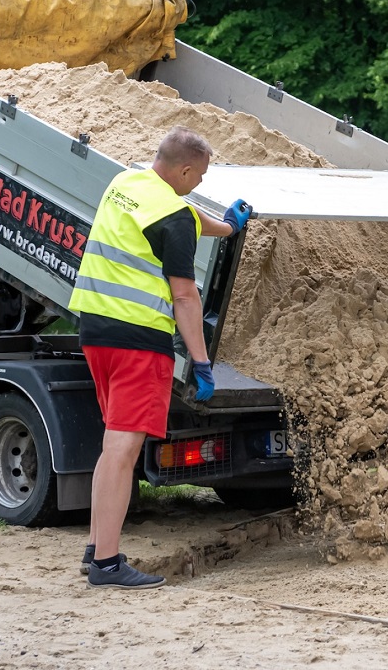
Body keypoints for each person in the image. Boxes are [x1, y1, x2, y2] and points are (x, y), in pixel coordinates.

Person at [67, 126, 250, 589]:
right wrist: (202, 363)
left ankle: (95, 548)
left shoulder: (126, 182)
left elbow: (183, 215)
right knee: (123, 451)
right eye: (202, 175)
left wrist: (226, 227)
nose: (202, 184)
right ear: (185, 170)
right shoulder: (174, 217)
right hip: (138, 341)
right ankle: (107, 565)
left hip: (96, 331)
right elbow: (185, 297)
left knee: (114, 446)